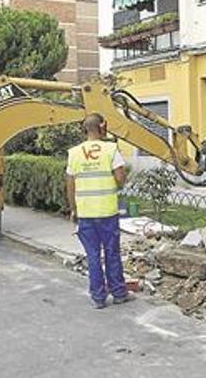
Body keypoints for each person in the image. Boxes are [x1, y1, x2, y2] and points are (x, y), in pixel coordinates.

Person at [66, 113, 131, 309]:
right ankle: (119, 293)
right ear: (103, 126)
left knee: (93, 256)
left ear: (85, 129)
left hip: (86, 214)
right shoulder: (111, 149)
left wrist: (73, 209)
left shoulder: (74, 153)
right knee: (112, 253)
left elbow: (70, 184)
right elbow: (120, 178)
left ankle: (98, 298)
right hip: (107, 212)